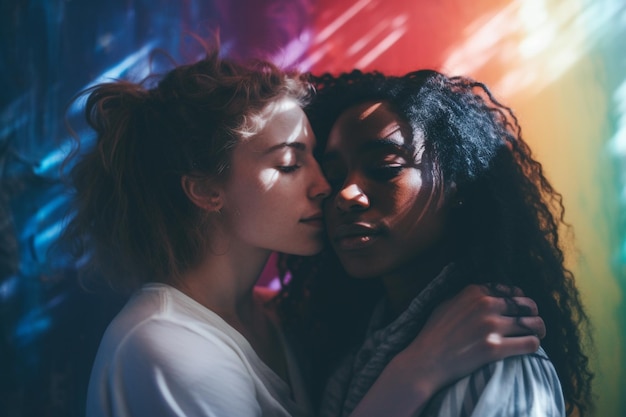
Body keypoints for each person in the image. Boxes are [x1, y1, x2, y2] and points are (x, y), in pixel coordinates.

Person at [62, 48, 547, 417]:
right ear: (207, 190)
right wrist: (417, 369)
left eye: (319, 162)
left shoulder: (275, 320)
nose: (327, 189)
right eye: (291, 164)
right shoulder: (165, 349)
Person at [277, 69, 594, 416]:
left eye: (385, 167)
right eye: (334, 178)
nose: (346, 195)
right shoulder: (347, 352)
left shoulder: (499, 364)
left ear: (456, 181)